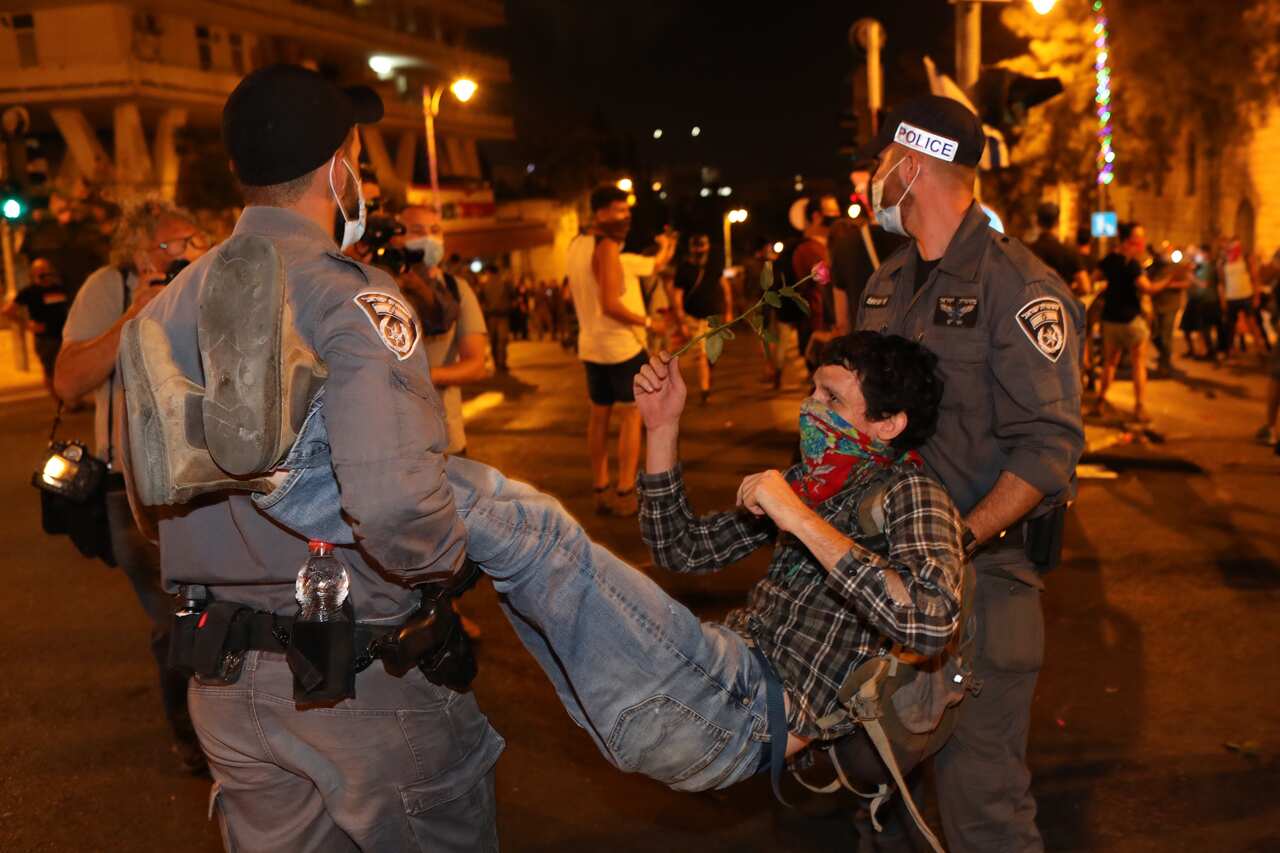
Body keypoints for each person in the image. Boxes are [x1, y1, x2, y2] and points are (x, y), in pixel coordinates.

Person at [223, 331, 968, 839]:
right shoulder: (817, 485)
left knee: (539, 535)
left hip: (740, 711)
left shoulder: (911, 498)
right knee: (514, 509)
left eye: (833, 400)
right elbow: (679, 544)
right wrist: (662, 427)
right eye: (813, 390)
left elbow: (931, 622)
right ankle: (315, 447)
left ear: (889, 422)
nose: (812, 408)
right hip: (697, 687)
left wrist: (799, 518)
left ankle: (281, 472)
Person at [121, 65, 502, 849]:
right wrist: (459, 559)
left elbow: (144, 501)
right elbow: (395, 508)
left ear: (241, 172)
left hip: (226, 687)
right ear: (340, 167)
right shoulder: (352, 297)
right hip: (358, 685)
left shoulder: (162, 308)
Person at [857, 95, 1085, 852]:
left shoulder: (1017, 286)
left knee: (982, 813)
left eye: (881, 162)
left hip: (980, 595)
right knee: (882, 806)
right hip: (885, 590)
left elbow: (1049, 449)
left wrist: (957, 536)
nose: (871, 178)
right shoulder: (886, 284)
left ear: (911, 165)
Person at [52, 200, 209, 774]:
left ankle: (226, 726)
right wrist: (135, 315)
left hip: (207, 481)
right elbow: (67, 382)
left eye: (192, 240)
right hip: (132, 487)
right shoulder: (108, 287)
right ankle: (194, 736)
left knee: (212, 605)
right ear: (138, 253)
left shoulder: (211, 280)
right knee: (175, 614)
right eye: (168, 247)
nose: (183, 254)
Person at [566, 185, 659, 516]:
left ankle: (600, 487)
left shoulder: (575, 245)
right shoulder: (605, 247)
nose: (626, 217)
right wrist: (648, 322)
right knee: (631, 417)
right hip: (620, 347)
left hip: (591, 347)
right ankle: (625, 491)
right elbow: (610, 303)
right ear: (600, 213)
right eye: (619, 211)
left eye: (626, 210)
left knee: (598, 416)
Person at [394, 203, 488, 456]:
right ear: (397, 236)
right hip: (395, 440)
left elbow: (476, 364)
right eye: (417, 230)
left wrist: (422, 376)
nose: (429, 238)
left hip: (447, 440)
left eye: (435, 230)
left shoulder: (457, 289)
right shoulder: (383, 286)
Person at [1093, 222, 1164, 421]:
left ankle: (1100, 401)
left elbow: (1094, 279)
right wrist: (1169, 281)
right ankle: (1139, 407)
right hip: (1131, 320)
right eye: (1137, 239)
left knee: (1110, 363)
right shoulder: (1132, 264)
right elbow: (1147, 288)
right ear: (1127, 241)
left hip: (1110, 319)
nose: (1141, 243)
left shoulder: (1108, 260)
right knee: (1138, 364)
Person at [831, 168, 908, 334]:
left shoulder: (844, 245)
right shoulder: (916, 238)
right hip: (907, 344)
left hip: (864, 346)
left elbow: (842, 321)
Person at [670, 232, 734, 404]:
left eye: (701, 246)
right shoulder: (683, 268)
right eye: (696, 246)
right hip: (693, 318)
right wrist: (682, 321)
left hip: (713, 317)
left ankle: (707, 377)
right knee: (702, 354)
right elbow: (677, 297)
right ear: (691, 248)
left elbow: (725, 287)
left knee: (712, 353)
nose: (699, 250)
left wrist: (729, 311)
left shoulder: (714, 265)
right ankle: (704, 390)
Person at [3, 257, 71, 397]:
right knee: (51, 371)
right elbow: (7, 311)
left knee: (67, 369)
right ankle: (61, 402)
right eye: (42, 270)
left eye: (48, 269)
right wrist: (27, 325)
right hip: (46, 339)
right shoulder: (29, 292)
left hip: (65, 336)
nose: (46, 273)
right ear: (34, 273)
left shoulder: (59, 288)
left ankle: (70, 398)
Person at [792, 195, 841, 363]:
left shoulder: (837, 243)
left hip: (836, 326)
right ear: (816, 216)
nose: (836, 214)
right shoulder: (806, 250)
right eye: (830, 211)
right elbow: (822, 285)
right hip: (820, 327)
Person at [1147, 241, 1192, 377]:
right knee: (1154, 334)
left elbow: (1186, 283)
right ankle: (1163, 358)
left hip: (1170, 306)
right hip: (1156, 306)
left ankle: (1165, 365)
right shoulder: (1154, 267)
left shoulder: (1177, 268)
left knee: (1166, 336)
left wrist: (1168, 285)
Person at [1217, 236, 1266, 359]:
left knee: (1252, 324)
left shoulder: (1245, 259)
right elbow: (1222, 283)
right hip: (1231, 297)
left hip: (1246, 296)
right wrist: (1223, 298)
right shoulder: (1223, 262)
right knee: (1231, 326)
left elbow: (1255, 278)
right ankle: (1231, 351)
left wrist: (1256, 296)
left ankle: (1260, 349)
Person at [1029, 202, 1091, 297]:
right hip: (1060, 307)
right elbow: (1085, 287)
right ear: (1057, 222)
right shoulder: (1068, 251)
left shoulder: (1028, 251)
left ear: (1038, 222)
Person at [478, 264, 513, 371]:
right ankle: (502, 362)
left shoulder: (484, 285)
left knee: (494, 340)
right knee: (502, 340)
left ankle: (497, 362)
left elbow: (480, 300)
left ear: (489, 272)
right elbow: (511, 297)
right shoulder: (505, 283)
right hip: (503, 315)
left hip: (490, 316)